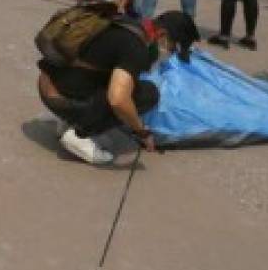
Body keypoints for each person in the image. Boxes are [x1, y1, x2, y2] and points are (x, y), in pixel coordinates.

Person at [38, 9, 198, 165]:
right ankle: (79, 134)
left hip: (49, 83)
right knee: (146, 94)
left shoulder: (129, 23)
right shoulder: (135, 46)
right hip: (59, 96)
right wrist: (141, 131)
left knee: (127, 85)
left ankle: (69, 120)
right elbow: (118, 99)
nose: (171, 53)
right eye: (173, 48)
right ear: (162, 34)